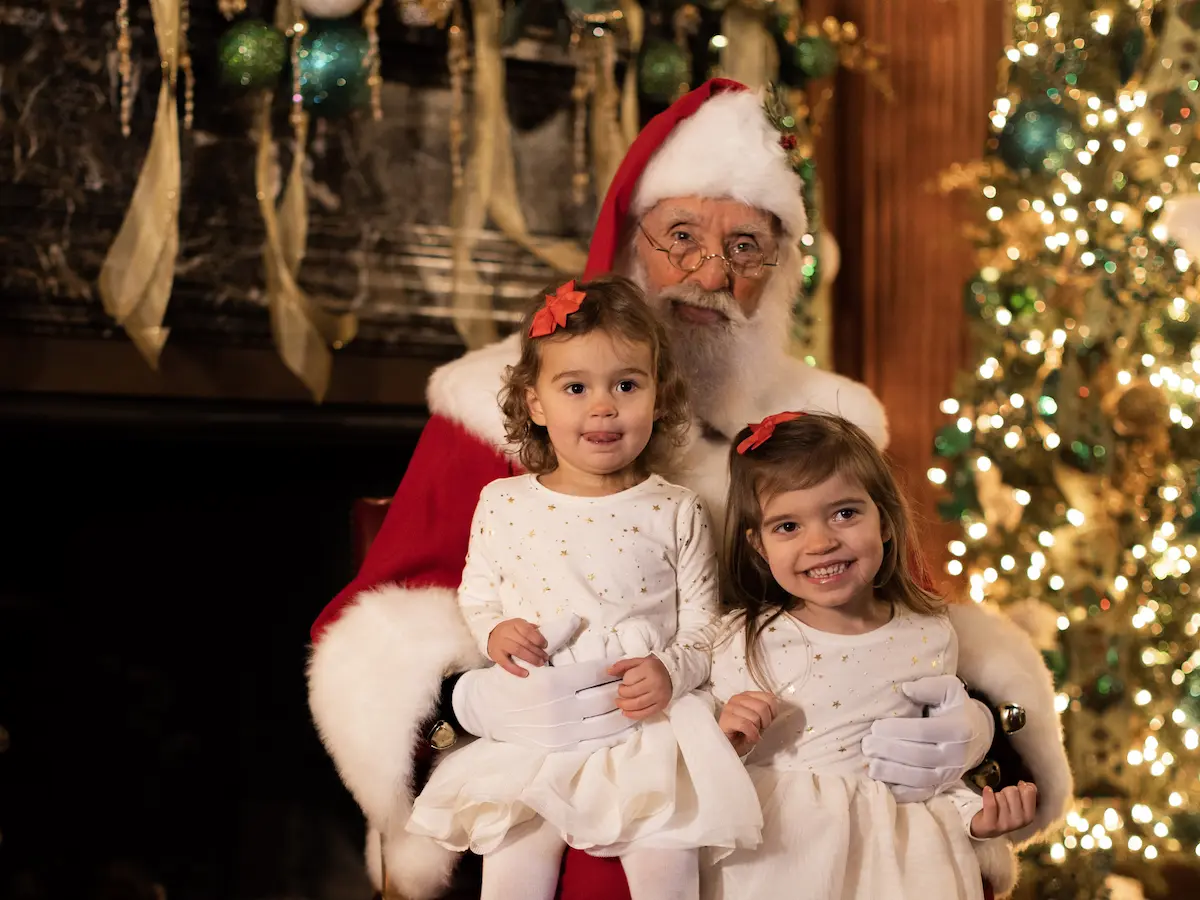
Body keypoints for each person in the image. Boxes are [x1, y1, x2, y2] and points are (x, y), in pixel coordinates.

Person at [306, 78, 1071, 900]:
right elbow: (378, 628)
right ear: (632, 245)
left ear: (778, 270)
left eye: (747, 246)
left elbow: (911, 617)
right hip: (578, 814)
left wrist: (990, 730)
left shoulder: (824, 425)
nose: (710, 271)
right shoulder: (498, 407)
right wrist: (474, 703)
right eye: (681, 236)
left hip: (803, 819)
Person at [404, 276, 761, 900]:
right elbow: (478, 592)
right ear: (535, 402)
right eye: (575, 387)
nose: (603, 406)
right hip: (540, 718)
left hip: (647, 723)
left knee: (668, 863)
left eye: (626, 385)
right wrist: (495, 632)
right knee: (513, 867)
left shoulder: (676, 509)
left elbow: (709, 624)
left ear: (659, 396)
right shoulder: (504, 502)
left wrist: (670, 671)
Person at [706, 411, 1038, 900]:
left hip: (899, 863)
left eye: (844, 513)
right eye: (788, 526)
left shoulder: (927, 635)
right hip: (781, 860)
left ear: (884, 519)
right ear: (758, 545)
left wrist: (977, 817)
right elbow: (699, 764)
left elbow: (934, 770)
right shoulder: (740, 638)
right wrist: (724, 736)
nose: (820, 542)